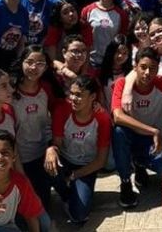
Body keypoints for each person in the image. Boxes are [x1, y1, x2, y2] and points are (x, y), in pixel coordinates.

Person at [111, 48, 162, 208]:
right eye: (143, 67)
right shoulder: (122, 84)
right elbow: (117, 116)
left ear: (158, 69)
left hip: (151, 142)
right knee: (118, 132)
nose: (147, 72)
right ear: (135, 66)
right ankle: (125, 182)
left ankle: (140, 166)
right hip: (132, 137)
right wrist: (153, 131)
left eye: (152, 68)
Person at [45, 76, 111, 225]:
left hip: (87, 166)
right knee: (49, 163)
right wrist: (51, 150)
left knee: (80, 216)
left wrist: (75, 175)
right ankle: (66, 194)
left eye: (79, 95)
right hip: (65, 161)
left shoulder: (102, 118)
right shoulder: (63, 109)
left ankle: (75, 193)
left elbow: (101, 161)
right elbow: (57, 144)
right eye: (71, 93)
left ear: (92, 97)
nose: (73, 98)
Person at [9, 46, 62, 211]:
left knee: (42, 205)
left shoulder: (47, 87)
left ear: (46, 67)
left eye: (40, 63)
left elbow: (60, 111)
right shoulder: (9, 88)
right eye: (29, 62)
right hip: (17, 158)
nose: (34, 67)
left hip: (42, 154)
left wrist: (53, 146)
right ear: (21, 63)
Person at [80, 0, 129, 69]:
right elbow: (82, 38)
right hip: (90, 62)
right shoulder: (87, 10)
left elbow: (122, 40)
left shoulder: (121, 14)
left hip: (111, 63)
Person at [98, 34, 132, 108]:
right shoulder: (101, 72)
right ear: (111, 51)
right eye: (118, 52)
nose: (120, 56)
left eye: (125, 53)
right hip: (106, 114)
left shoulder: (131, 74)